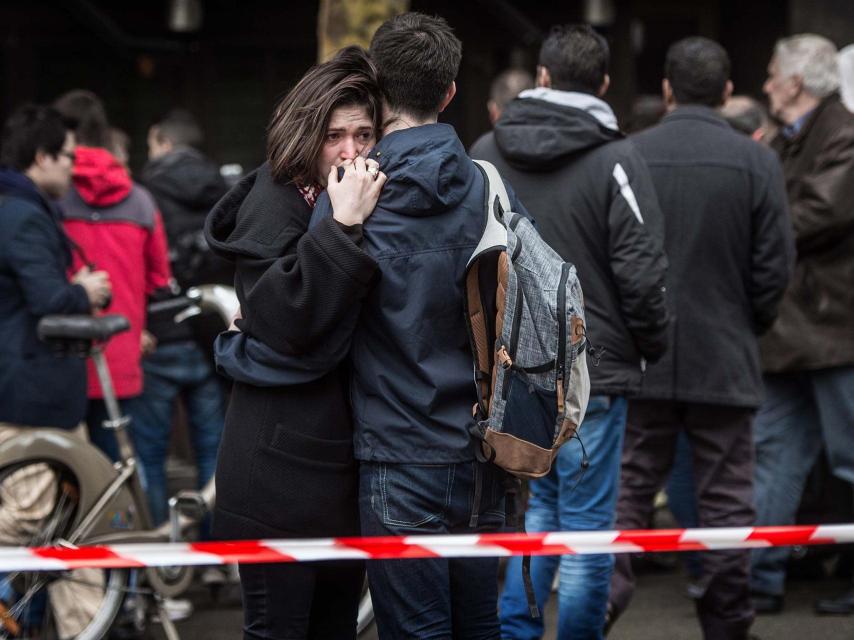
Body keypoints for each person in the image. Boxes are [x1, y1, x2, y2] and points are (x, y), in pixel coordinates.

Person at [304, 13, 531, 639]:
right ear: (451, 92)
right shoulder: (488, 186)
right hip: (482, 448)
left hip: (394, 452)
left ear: (375, 85)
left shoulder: (348, 195)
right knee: (479, 626)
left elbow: (315, 321)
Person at [471, 24, 670, 640]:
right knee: (586, 527)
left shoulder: (485, 150)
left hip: (508, 370)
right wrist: (650, 346)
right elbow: (642, 273)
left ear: (542, 78)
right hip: (596, 370)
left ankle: (516, 632)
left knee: (525, 516)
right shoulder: (618, 156)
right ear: (605, 83)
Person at [608, 37, 794, 640]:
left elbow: (611, 258)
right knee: (726, 505)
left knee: (628, 493)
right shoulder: (757, 161)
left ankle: (596, 609)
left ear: (665, 89)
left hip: (642, 355)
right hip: (725, 352)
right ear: (727, 92)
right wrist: (747, 325)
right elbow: (773, 269)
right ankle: (727, 625)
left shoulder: (627, 154)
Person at [203, 46, 386, 639]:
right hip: (275, 477)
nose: (352, 152)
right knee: (278, 630)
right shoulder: (278, 203)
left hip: (336, 471)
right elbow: (290, 321)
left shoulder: (352, 195)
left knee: (335, 629)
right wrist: (342, 227)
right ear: (307, 135)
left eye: (364, 133)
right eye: (335, 135)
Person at [751, 33, 854, 616]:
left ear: (795, 82)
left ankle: (763, 577)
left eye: (771, 74)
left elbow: (816, 213)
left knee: (841, 458)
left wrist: (753, 229)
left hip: (830, 330)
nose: (765, 85)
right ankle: (760, 579)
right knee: (775, 457)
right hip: (799, 329)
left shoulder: (843, 134)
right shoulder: (800, 137)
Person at [0, 104, 112, 639]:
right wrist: (85, 290)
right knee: (32, 516)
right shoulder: (20, 215)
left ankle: (85, 628)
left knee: (76, 521)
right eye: (67, 158)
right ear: (41, 157)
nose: (73, 169)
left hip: (39, 393)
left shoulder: (19, 208)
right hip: (29, 397)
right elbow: (47, 299)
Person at [52, 90, 173, 462]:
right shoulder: (139, 200)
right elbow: (159, 277)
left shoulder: (49, 195)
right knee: (127, 473)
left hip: (58, 356)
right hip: (120, 355)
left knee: (59, 475)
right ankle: (129, 523)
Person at [127, 109, 230, 528]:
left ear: (160, 141)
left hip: (158, 334)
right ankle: (216, 558)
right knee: (214, 450)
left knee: (148, 453)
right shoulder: (223, 189)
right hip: (211, 332)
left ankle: (161, 562)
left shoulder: (142, 191)